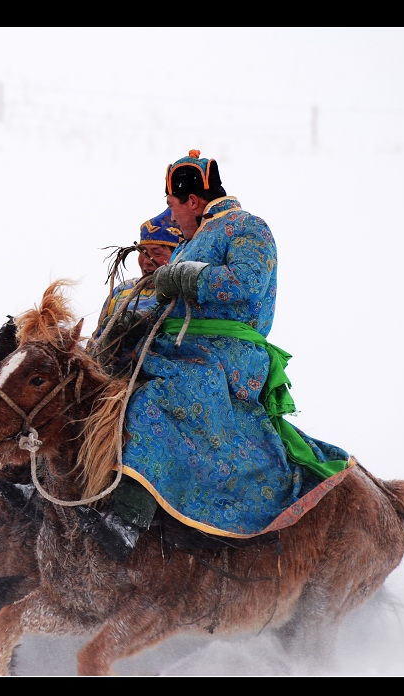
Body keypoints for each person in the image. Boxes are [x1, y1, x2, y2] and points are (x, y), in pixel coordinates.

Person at [84, 151, 349, 558]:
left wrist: (186, 275)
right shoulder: (192, 241)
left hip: (224, 354)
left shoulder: (248, 227)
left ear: (193, 201)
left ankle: (127, 522)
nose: (172, 219)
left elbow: (247, 283)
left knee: (153, 399)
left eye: (174, 207)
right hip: (183, 349)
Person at [89, 208, 182, 374]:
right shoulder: (121, 292)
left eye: (157, 253)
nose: (146, 261)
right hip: (111, 376)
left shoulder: (182, 296)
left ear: (177, 256)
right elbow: (98, 340)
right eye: (143, 252)